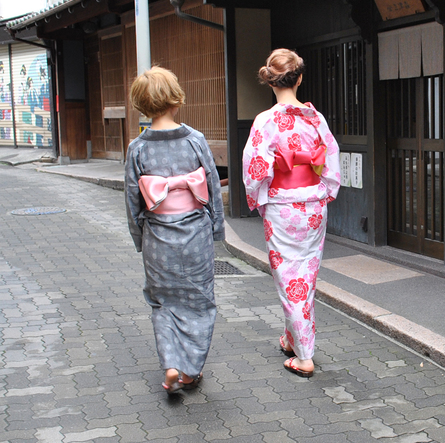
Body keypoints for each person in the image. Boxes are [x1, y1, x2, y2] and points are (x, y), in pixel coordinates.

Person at [124, 66, 224, 393]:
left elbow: (132, 199)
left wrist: (140, 238)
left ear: (142, 104)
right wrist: (216, 229)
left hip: (157, 237)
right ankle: (190, 371)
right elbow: (211, 184)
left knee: (163, 302)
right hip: (194, 233)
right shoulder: (194, 140)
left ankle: (170, 364)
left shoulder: (137, 148)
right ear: (175, 100)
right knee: (199, 301)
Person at [242, 48, 340, 377]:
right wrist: (326, 190)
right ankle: (291, 336)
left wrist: (258, 197)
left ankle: (304, 356)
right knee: (304, 275)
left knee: (289, 277)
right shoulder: (316, 119)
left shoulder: (266, 121)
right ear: (299, 79)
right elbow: (330, 157)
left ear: (270, 82)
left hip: (282, 205)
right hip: (313, 204)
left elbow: (255, 168)